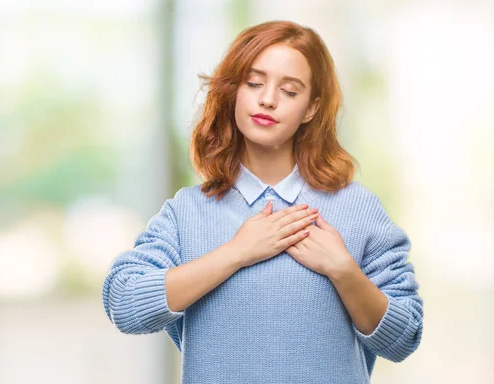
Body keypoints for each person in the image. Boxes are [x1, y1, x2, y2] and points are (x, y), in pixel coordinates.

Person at [101, 20, 423, 383]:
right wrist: (237, 252)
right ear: (234, 91)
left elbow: (404, 338)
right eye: (254, 83)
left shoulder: (357, 209)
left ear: (311, 109)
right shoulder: (187, 213)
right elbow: (124, 305)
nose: (267, 98)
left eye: (289, 91)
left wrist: (343, 270)